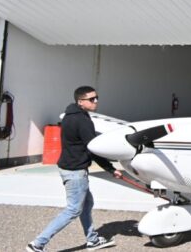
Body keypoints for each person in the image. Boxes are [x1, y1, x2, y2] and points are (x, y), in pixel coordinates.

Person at [27, 86, 122, 252]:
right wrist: (110, 169)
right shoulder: (82, 120)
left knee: (87, 203)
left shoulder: (70, 116)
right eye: (92, 99)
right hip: (75, 171)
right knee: (73, 210)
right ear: (80, 101)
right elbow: (93, 148)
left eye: (96, 98)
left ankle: (92, 240)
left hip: (70, 167)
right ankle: (37, 244)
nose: (96, 101)